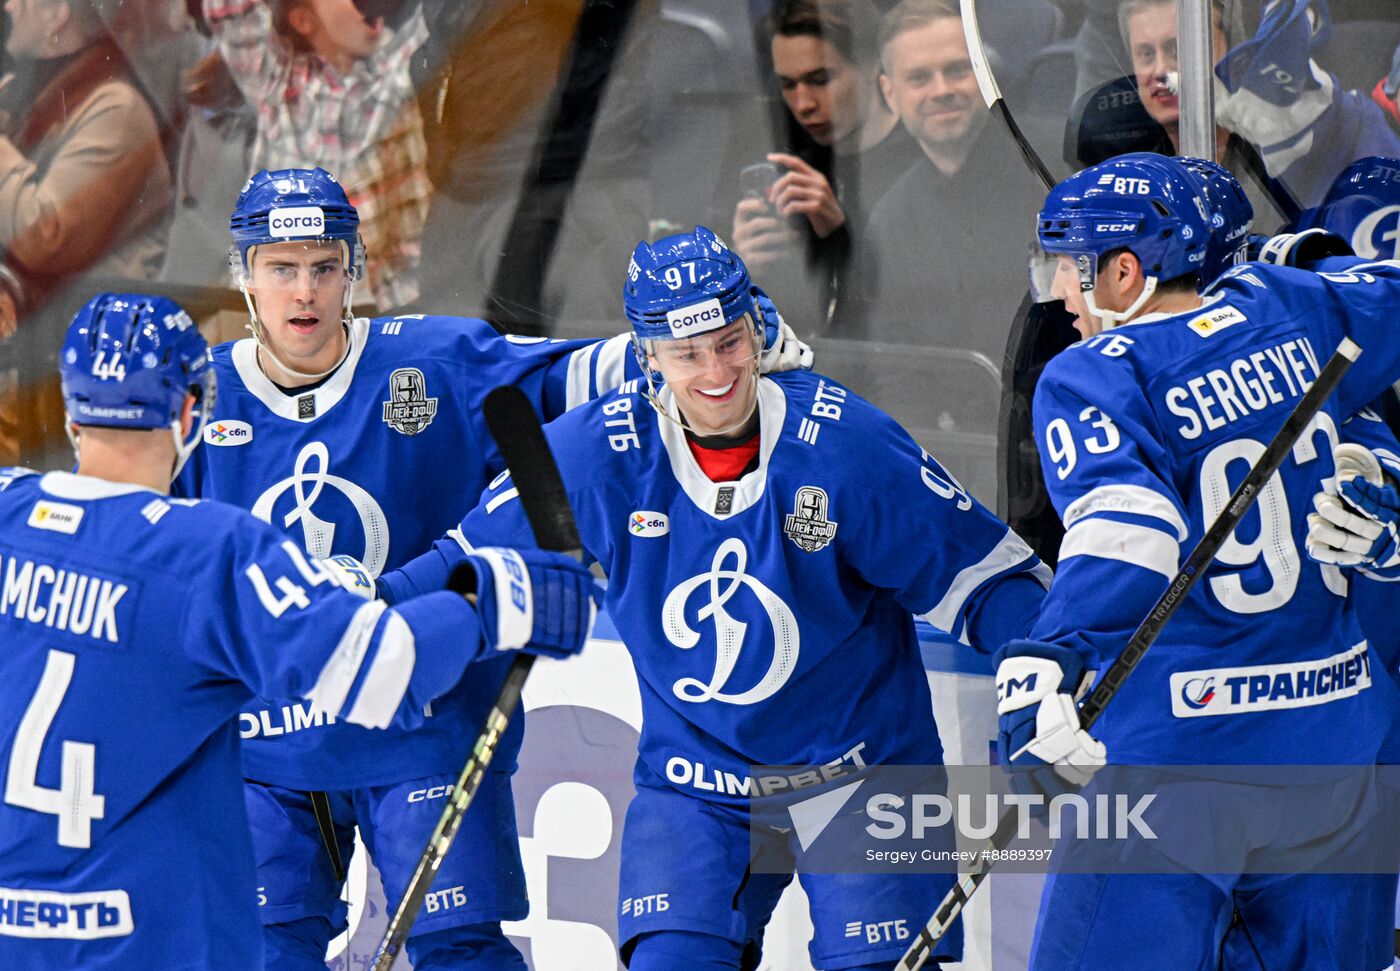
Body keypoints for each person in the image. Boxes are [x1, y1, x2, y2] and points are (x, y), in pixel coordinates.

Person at [175, 167, 811, 969]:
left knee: (462, 951)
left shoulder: (437, 361)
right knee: (255, 952)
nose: (304, 291)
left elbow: (583, 372)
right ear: (245, 276)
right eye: (280, 267)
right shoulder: (200, 397)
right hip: (268, 750)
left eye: (323, 266)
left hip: (425, 728)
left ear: (355, 269)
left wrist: (715, 339)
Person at [377, 225, 1051, 969]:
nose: (714, 373)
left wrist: (1051, 673)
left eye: (728, 342)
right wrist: (358, 611)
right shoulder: (596, 451)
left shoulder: (848, 446)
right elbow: (463, 558)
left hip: (866, 773)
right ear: (646, 357)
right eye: (686, 353)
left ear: (756, 327)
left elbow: (991, 581)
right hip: (697, 785)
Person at [0, 291, 596, 971]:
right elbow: (381, 667)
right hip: (148, 939)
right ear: (192, 410)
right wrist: (491, 598)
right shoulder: (204, 552)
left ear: (70, 414)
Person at [998, 151, 1400, 968]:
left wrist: (1050, 656)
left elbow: (1129, 533)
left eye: (1068, 270)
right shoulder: (1289, 304)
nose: (1060, 297)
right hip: (1336, 756)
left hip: (1179, 766)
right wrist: (1313, 254)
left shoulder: (1093, 374)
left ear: (1123, 271)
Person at [837, 0, 1053, 366]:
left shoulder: (1056, 168)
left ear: (984, 72)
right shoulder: (891, 222)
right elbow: (897, 371)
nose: (941, 90)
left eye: (956, 70)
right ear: (889, 93)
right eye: (919, 77)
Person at [202, 0, 431, 308]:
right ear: (303, 21)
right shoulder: (281, 84)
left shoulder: (401, 65)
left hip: (374, 303)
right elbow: (231, 11)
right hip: (278, 303)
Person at [730, 0, 920, 331]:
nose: (803, 104)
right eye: (788, 85)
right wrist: (745, 266)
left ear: (872, 65)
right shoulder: (779, 158)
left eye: (821, 79)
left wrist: (840, 235)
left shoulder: (921, 156)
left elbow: (922, 297)